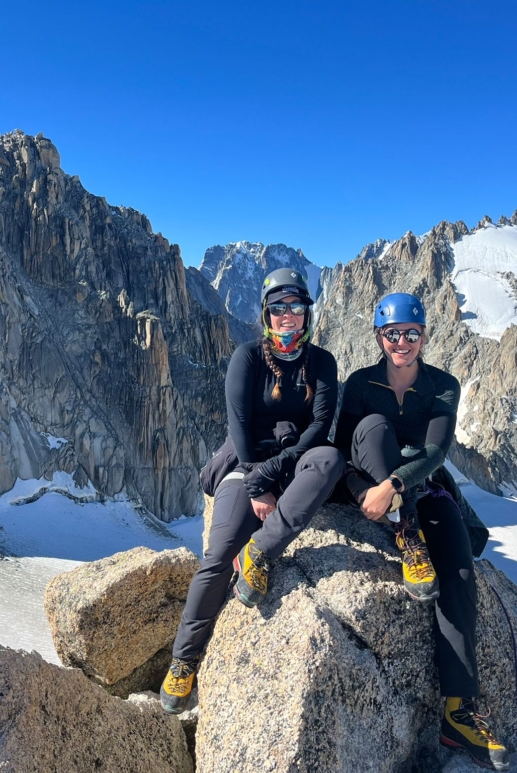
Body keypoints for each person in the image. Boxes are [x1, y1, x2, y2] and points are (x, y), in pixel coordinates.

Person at [334, 292, 509, 772]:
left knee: (457, 568)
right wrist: (362, 493)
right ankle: (406, 536)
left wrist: (392, 488)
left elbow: (435, 452)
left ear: (424, 337)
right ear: (379, 338)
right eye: (393, 334)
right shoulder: (360, 383)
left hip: (419, 490)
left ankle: (459, 709)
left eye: (411, 334)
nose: (402, 343)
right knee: (372, 427)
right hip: (371, 483)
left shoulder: (442, 386)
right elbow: (344, 451)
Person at [160, 267, 344, 714]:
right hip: (246, 463)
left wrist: (276, 474)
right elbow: (238, 425)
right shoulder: (247, 357)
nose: (287, 317)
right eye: (278, 309)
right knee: (220, 553)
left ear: (306, 313)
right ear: (266, 313)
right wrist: (257, 481)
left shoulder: (321, 362)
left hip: (295, 461)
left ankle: (260, 551)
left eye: (295, 308)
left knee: (331, 459)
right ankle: (184, 660)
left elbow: (320, 426)